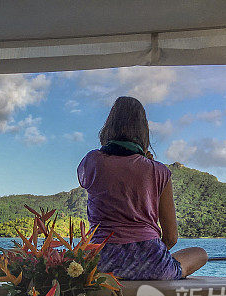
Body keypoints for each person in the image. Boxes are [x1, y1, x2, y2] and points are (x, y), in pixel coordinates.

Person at [77, 96, 207, 280]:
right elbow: (171, 238)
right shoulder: (159, 171)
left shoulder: (93, 161)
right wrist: (146, 256)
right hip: (152, 263)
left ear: (108, 128)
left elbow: (112, 167)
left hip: (100, 263)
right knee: (200, 253)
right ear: (144, 131)